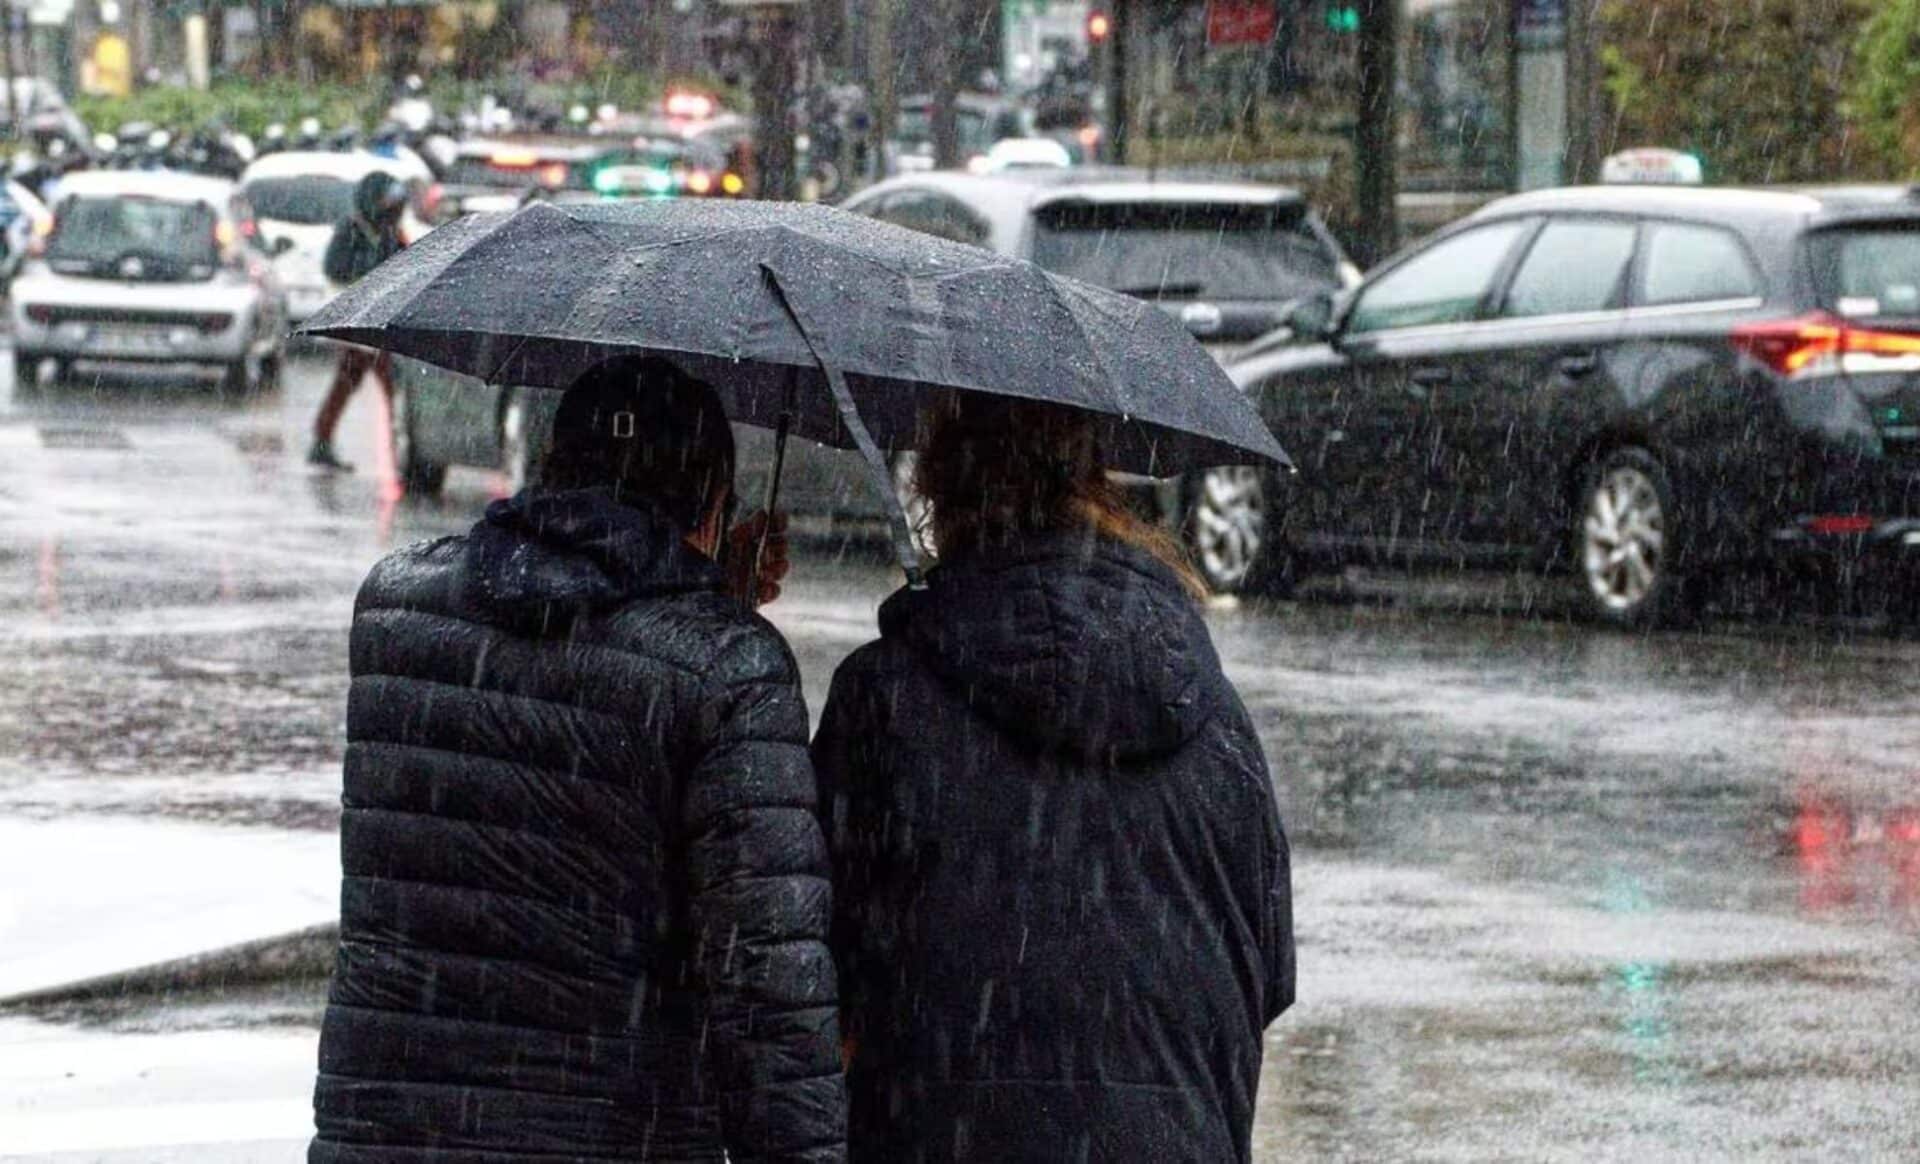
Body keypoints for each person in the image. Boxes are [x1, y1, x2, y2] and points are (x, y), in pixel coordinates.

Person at [310, 356, 848, 1163]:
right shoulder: (729, 671)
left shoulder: (397, 611)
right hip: (619, 1137)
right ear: (707, 504)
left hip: (389, 1133)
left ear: (555, 471)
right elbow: (764, 984)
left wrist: (706, 606)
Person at [812, 398, 1294, 1164]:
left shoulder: (886, 699)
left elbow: (814, 978)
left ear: (938, 492)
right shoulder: (1215, 714)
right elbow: (1266, 976)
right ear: (1095, 483)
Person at [306, 171, 407, 472]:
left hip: (381, 321)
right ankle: (398, 448)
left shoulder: (390, 233)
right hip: (358, 323)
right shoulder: (351, 229)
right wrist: (370, 273)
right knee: (386, 382)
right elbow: (335, 268)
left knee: (354, 381)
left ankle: (323, 439)